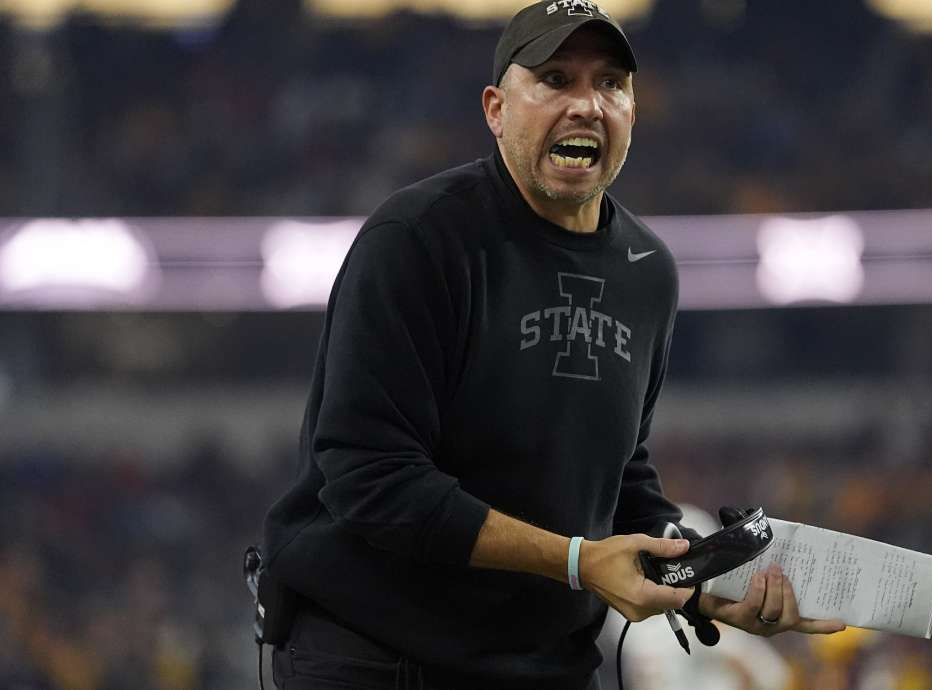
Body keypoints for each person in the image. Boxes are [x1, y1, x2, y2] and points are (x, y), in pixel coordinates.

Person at [261, 3, 843, 688]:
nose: (586, 104)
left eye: (610, 84)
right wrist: (575, 561)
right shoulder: (419, 240)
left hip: (546, 662)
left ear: (633, 111)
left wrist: (701, 577)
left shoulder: (647, 270)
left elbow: (617, 478)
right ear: (496, 108)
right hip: (379, 658)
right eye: (555, 79)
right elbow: (372, 480)